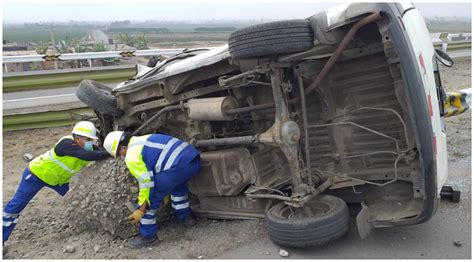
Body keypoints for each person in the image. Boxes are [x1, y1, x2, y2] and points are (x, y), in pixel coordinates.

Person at [2, 121, 110, 251]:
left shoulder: (86, 147)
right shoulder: (66, 144)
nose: (90, 143)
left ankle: (89, 226)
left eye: (92, 140)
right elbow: (86, 156)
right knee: (15, 206)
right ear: (78, 137)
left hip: (59, 182)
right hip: (36, 175)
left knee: (78, 201)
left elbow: (96, 153)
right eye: (88, 139)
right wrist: (109, 153)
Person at [103, 131, 201, 249]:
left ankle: (148, 237)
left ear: (123, 147)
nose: (122, 156)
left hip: (177, 167)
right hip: (194, 160)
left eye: (119, 153)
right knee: (178, 187)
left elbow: (146, 184)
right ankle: (186, 218)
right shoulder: (143, 139)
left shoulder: (132, 156)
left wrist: (141, 209)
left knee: (150, 199)